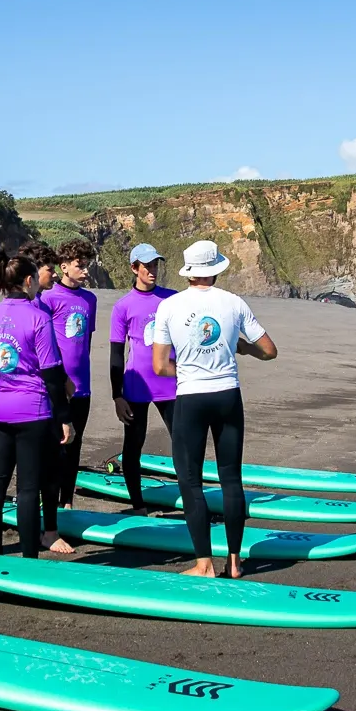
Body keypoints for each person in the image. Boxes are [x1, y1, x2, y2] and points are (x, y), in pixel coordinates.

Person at [149, 239, 277, 579]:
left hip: (191, 397)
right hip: (227, 395)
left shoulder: (170, 306)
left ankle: (204, 563)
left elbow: (160, 366)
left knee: (190, 481)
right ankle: (234, 562)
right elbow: (269, 350)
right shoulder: (233, 303)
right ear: (216, 270)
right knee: (230, 478)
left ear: (189, 271)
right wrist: (243, 350)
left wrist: (190, 370)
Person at [0, 248, 76, 557]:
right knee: (28, 489)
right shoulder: (39, 318)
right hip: (32, 413)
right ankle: (29, 557)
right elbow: (52, 374)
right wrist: (64, 417)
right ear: (29, 281)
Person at [37, 237, 99, 546]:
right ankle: (44, 504)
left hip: (83, 386)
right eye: (80, 265)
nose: (85, 270)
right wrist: (58, 380)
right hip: (57, 386)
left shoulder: (90, 300)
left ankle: (67, 502)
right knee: (55, 448)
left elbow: (84, 344)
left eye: (87, 265)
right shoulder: (48, 298)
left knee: (75, 445)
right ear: (64, 267)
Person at [108, 242, 177, 511]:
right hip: (137, 385)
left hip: (170, 384)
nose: (152, 270)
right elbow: (116, 354)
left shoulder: (172, 299)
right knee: (133, 446)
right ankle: (138, 505)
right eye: (147, 265)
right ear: (134, 268)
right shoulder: (123, 306)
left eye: (155, 264)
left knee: (183, 445)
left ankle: (193, 502)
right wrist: (117, 395)